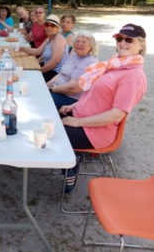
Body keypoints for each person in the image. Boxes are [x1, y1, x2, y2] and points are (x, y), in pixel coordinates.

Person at [60, 23, 147, 193]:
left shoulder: (133, 76)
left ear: (141, 44)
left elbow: (116, 115)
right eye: (120, 38)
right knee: (48, 121)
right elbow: (94, 95)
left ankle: (71, 163)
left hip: (96, 132)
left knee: (51, 135)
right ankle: (69, 155)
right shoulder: (115, 64)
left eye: (129, 40)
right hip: (82, 118)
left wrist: (77, 122)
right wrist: (72, 106)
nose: (122, 43)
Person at [46, 31, 99, 110]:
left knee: (42, 101)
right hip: (58, 90)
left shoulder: (89, 62)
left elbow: (72, 89)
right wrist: (47, 85)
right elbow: (62, 73)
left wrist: (51, 90)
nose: (79, 44)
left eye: (84, 42)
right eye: (78, 41)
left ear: (91, 46)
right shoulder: (75, 55)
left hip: (70, 99)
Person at [20, 14, 69, 82]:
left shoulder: (58, 39)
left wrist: (40, 71)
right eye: (47, 25)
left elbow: (55, 61)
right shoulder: (49, 38)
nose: (49, 27)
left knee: (28, 79)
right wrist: (23, 49)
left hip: (57, 73)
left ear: (57, 28)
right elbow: (38, 51)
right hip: (49, 69)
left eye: (52, 25)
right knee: (25, 71)